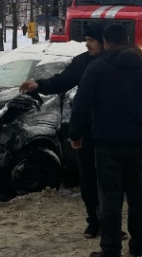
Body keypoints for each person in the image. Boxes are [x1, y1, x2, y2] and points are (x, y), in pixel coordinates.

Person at [68, 22, 142, 257]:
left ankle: (111, 252)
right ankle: (139, 247)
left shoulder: (97, 67)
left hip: (107, 142)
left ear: (107, 42)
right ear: (127, 39)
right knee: (137, 196)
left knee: (110, 197)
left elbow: (81, 104)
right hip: (137, 141)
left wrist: (76, 134)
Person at [19, 23, 105, 237]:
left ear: (104, 42)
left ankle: (111, 223)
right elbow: (63, 80)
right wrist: (39, 85)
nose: (87, 44)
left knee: (110, 180)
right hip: (88, 130)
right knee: (89, 179)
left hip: (111, 131)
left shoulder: (115, 62)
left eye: (92, 40)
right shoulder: (83, 62)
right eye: (86, 39)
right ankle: (94, 221)